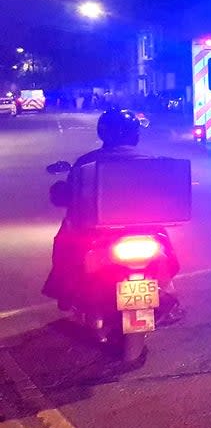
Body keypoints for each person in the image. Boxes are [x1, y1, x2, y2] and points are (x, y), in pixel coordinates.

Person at [43, 109, 183, 323]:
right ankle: (166, 294)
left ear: (103, 133)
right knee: (163, 239)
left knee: (65, 242)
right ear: (135, 135)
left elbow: (68, 197)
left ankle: (65, 293)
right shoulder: (151, 162)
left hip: (103, 232)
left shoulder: (86, 163)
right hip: (142, 230)